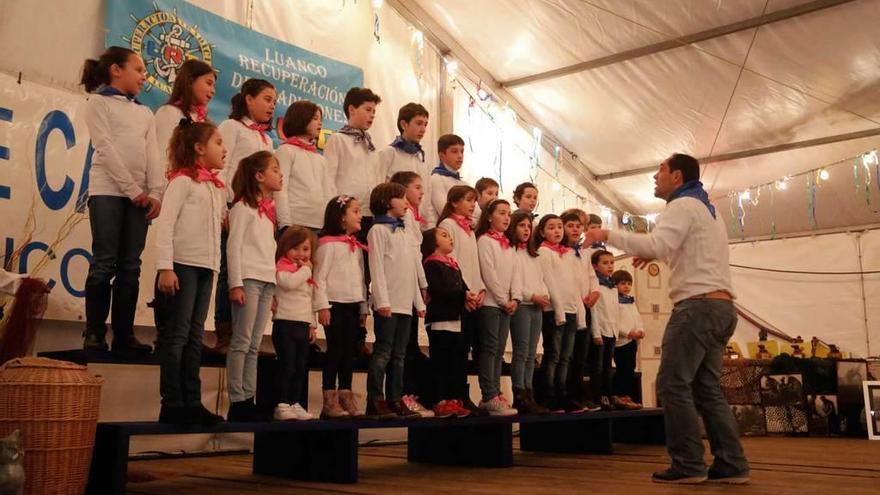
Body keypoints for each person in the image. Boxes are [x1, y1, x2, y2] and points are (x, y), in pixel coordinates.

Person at [584, 153, 750, 485]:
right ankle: (732, 463)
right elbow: (687, 249)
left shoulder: (683, 206)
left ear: (677, 176)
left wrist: (606, 235)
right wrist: (660, 250)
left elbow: (659, 242)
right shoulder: (707, 209)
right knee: (706, 389)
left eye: (660, 171)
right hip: (721, 308)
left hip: (697, 308)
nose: (654, 177)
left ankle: (689, 464)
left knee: (672, 385)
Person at [80, 46, 161, 355]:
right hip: (108, 193)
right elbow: (106, 148)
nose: (144, 76)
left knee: (131, 266)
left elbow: (153, 154)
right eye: (138, 69)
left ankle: (124, 335)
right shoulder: (98, 103)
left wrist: (155, 192)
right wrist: (133, 190)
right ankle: (95, 333)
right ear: (117, 70)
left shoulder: (144, 112)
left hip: (138, 197)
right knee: (104, 262)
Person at [154, 120, 226, 425]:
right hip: (183, 264)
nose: (224, 149)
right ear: (199, 149)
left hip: (207, 266)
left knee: (196, 336)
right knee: (178, 334)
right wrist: (165, 267)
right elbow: (166, 225)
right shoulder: (182, 181)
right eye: (218, 142)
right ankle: (172, 402)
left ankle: (192, 401)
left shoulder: (214, 187)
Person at [151, 59, 216, 354]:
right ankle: (165, 330)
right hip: (174, 188)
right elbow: (165, 155)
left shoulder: (201, 121)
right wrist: (167, 188)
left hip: (195, 191)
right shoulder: (169, 113)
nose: (212, 90)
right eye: (208, 83)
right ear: (190, 81)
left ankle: (185, 336)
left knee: (192, 319)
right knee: (173, 272)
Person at [214, 78, 277, 355]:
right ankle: (225, 333)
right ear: (248, 98)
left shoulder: (266, 138)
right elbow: (219, 169)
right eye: (266, 99)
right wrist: (222, 208)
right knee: (230, 269)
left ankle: (250, 337)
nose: (271, 105)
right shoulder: (232, 127)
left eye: (274, 101)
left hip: (258, 213)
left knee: (255, 275)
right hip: (234, 207)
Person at [226, 151, 283, 421]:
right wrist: (235, 283)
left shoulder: (268, 212)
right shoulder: (242, 208)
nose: (280, 175)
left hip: (266, 280)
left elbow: (268, 250)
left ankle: (250, 396)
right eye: (275, 169)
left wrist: (273, 287)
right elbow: (233, 247)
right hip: (247, 279)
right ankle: (237, 399)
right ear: (259, 176)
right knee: (241, 340)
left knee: (254, 344)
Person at [365, 183, 427, 419]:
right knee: (383, 353)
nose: (406, 203)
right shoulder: (378, 231)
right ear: (387, 201)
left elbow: (411, 268)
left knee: (400, 355)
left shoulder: (404, 232)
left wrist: (418, 303)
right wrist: (382, 301)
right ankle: (375, 400)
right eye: (401, 198)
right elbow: (377, 269)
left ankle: (395, 397)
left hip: (405, 305)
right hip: (388, 304)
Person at [314, 195, 369, 418]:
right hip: (334, 305)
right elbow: (319, 278)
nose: (361, 216)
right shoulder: (327, 245)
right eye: (355, 211)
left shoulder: (355, 246)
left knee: (349, 352)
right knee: (335, 351)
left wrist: (363, 307)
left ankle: (346, 394)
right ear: (341, 217)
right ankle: (329, 399)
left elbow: (361, 279)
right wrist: (322, 306)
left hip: (352, 305)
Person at [437, 185, 487, 416]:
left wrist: (480, 289)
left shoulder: (469, 229)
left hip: (472, 295)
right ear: (454, 202)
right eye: (468, 200)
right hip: (460, 296)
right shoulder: (448, 225)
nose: (473, 205)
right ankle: (453, 395)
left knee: (465, 348)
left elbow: (473, 262)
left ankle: (462, 394)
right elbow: (452, 262)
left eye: (474, 201)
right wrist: (465, 291)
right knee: (455, 350)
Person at [389, 171, 433, 413]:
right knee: (400, 348)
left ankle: (408, 394)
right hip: (399, 291)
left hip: (412, 287)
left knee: (410, 347)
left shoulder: (413, 218)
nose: (421, 192)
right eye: (417, 187)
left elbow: (416, 254)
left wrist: (422, 284)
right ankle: (399, 395)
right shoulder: (401, 219)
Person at [535, 214, 586, 412]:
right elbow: (550, 282)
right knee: (553, 354)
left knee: (567, 357)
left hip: (571, 309)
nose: (556, 231)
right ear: (542, 232)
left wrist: (579, 313)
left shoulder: (568, 253)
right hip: (554, 311)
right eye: (551, 227)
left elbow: (575, 286)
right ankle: (549, 396)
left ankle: (562, 394)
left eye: (558, 227)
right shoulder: (544, 252)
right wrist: (558, 311)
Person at [421, 228, 472, 418]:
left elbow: (462, 287)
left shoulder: (453, 264)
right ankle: (440, 399)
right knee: (441, 361)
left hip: (456, 319)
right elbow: (439, 290)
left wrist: (470, 295)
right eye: (443, 235)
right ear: (432, 242)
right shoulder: (431, 264)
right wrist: (463, 294)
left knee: (455, 361)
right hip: (440, 319)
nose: (450, 238)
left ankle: (454, 398)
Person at [475, 199, 518, 416]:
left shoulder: (508, 244)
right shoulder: (484, 241)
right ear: (490, 216)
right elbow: (488, 273)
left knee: (499, 351)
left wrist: (515, 299)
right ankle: (488, 394)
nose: (506, 217)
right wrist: (503, 299)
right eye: (502, 212)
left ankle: (496, 392)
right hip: (492, 304)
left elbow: (515, 273)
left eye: (508, 213)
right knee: (489, 349)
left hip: (507, 304)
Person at [271, 226, 319, 421]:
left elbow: (310, 298)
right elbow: (289, 283)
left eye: (306, 249)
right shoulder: (281, 268)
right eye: (296, 248)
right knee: (287, 365)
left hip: (302, 323)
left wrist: (312, 325)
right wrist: (307, 270)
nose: (301, 254)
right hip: (285, 323)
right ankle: (281, 403)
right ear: (284, 249)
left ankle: (295, 402)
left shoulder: (305, 272)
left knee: (300, 367)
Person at [506, 211, 550, 414]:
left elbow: (540, 278)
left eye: (528, 226)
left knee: (532, 353)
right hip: (523, 305)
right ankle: (519, 394)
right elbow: (514, 282)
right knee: (521, 351)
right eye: (522, 225)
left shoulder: (533, 254)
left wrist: (544, 295)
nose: (526, 229)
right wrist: (532, 296)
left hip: (537, 306)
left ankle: (529, 392)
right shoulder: (511, 251)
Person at [561, 209, 599, 413]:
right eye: (570, 226)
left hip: (586, 306)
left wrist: (595, 292)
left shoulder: (583, 252)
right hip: (568, 306)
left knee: (581, 355)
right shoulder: (559, 252)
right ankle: (565, 395)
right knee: (566, 353)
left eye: (578, 226)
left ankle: (578, 394)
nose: (575, 229)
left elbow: (591, 276)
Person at [275, 100, 329, 234]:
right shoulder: (286, 150)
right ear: (301, 118)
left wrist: (329, 223)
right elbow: (280, 188)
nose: (320, 123)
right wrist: (284, 223)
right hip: (295, 222)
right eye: (315, 118)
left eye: (320, 119)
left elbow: (328, 192)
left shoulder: (320, 158)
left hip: (319, 224)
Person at [424, 134, 480, 226]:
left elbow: (477, 213)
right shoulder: (436, 179)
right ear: (442, 156)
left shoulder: (464, 183)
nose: (460, 156)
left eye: (462, 151)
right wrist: (470, 221)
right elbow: (445, 210)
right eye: (454, 151)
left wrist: (472, 222)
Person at [589, 249, 620, 411]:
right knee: (598, 367)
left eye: (612, 262)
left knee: (608, 366)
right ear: (595, 266)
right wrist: (596, 333)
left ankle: (608, 394)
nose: (610, 266)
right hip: (600, 331)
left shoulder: (613, 286)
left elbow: (615, 310)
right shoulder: (596, 285)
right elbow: (594, 311)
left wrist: (617, 330)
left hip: (612, 331)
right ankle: (598, 396)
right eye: (605, 263)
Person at [612, 269, 645, 409]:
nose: (626, 286)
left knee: (630, 368)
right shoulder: (614, 301)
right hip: (621, 342)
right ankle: (619, 396)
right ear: (615, 285)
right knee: (622, 368)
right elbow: (614, 321)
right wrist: (627, 332)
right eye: (623, 283)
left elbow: (636, 318)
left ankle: (627, 396)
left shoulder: (630, 301)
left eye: (629, 283)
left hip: (632, 341)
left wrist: (641, 330)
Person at [379, 102, 430, 182]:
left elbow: (426, 191)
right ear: (403, 125)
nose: (423, 130)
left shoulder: (422, 159)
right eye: (419, 123)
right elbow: (377, 188)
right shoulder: (388, 154)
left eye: (425, 125)